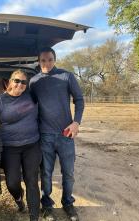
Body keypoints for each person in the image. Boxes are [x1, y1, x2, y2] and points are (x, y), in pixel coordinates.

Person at [29, 47, 84, 221]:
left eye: (50, 59)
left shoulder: (67, 76)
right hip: (45, 135)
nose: (47, 63)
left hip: (66, 134)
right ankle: (47, 206)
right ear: (39, 61)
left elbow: (79, 100)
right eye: (43, 60)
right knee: (46, 173)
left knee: (68, 173)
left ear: (55, 59)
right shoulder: (34, 82)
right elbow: (30, 106)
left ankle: (68, 203)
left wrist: (76, 122)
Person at [0, 69, 41, 221]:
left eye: (24, 82)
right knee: (12, 183)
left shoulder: (31, 95)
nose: (20, 84)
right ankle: (19, 199)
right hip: (9, 147)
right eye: (17, 80)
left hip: (32, 145)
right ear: (10, 82)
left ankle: (34, 217)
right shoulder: (0, 100)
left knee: (32, 181)